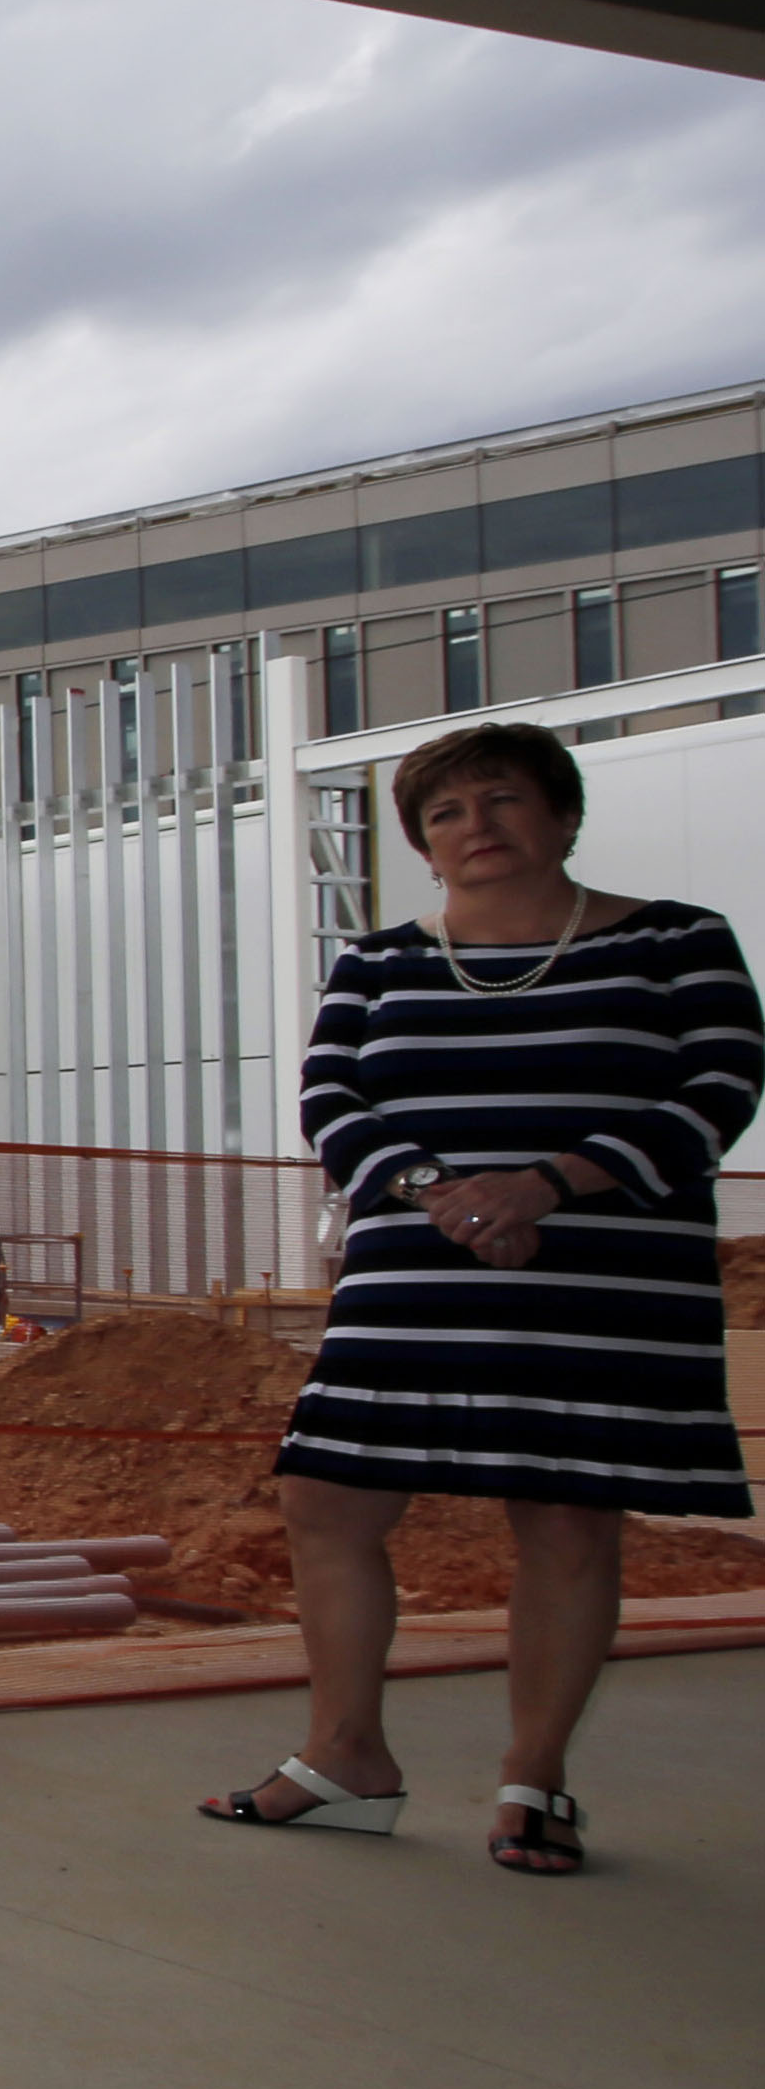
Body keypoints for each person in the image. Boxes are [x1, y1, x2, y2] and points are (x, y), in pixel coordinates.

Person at [203, 721, 760, 1873]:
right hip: (416, 1274)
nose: (478, 829)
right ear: (423, 845)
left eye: (502, 802)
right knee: (327, 1498)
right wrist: (434, 1192)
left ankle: (535, 1783)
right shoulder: (380, 962)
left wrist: (545, 1185)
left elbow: (718, 1085)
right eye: (447, 814)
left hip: (602, 1281)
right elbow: (333, 1096)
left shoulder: (676, 941)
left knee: (564, 1514)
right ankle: (347, 1755)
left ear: (561, 816)